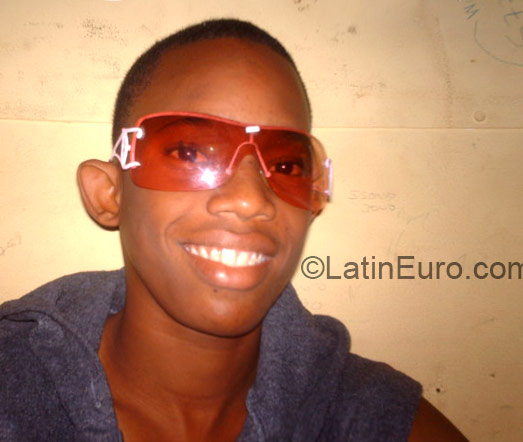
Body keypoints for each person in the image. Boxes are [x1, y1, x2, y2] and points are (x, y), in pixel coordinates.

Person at [0, 19, 468, 441]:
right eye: (189, 153)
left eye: (286, 165)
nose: (250, 200)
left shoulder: (373, 415)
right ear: (108, 193)